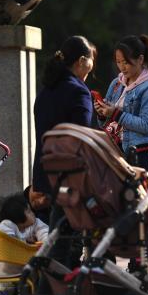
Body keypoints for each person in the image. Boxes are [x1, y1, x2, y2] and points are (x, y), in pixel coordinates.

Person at [32, 35, 97, 208]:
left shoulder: (45, 91)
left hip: (42, 178)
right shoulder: (79, 92)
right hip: (68, 180)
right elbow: (82, 137)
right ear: (82, 61)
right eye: (91, 59)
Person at [94, 34, 148, 172]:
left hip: (137, 153)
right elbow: (105, 124)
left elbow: (147, 125)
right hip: (112, 150)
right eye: (118, 62)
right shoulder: (117, 83)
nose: (122, 67)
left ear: (140, 59)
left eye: (126, 62)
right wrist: (102, 113)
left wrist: (115, 114)